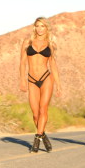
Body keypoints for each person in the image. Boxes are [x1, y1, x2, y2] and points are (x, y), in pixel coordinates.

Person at [18, 17, 62, 152]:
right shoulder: (27, 42)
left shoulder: (50, 43)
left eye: (42, 26)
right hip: (31, 80)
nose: (40, 29)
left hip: (46, 78)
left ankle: (36, 140)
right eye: (37, 26)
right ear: (34, 27)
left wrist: (59, 85)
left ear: (46, 28)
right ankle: (43, 136)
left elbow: (53, 65)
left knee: (43, 109)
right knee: (35, 114)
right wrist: (22, 80)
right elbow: (22, 63)